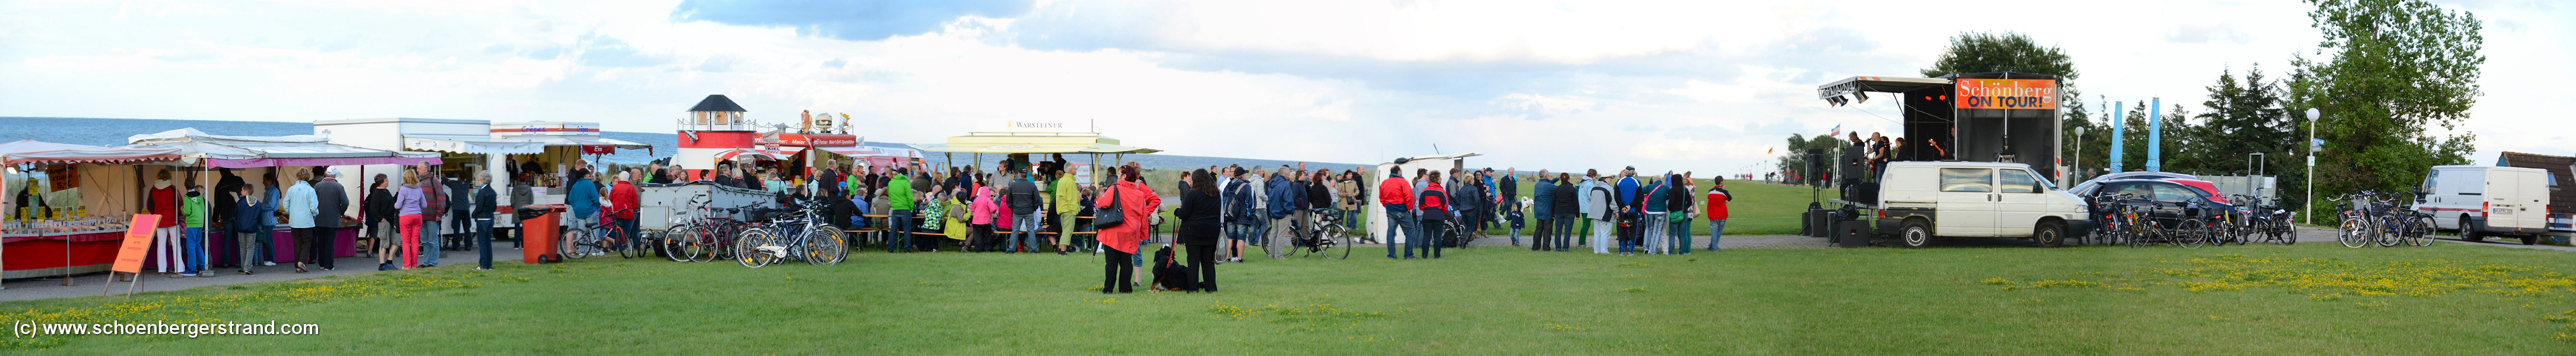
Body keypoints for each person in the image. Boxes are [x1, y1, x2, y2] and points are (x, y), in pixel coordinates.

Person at [1095, 167, 1160, 294]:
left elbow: (1104, 203)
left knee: (1111, 263)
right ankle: (1126, 289)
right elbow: (1143, 215)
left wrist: (1099, 199)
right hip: (1131, 231)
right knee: (1126, 262)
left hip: (1114, 230)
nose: (1118, 176)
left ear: (1124, 176)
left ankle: (1108, 289)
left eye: (1119, 174)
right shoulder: (1139, 194)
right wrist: (1143, 235)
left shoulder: (1114, 189)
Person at [1175, 169, 1222, 291]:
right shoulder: (1216, 194)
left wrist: (1177, 211)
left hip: (1194, 232)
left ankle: (1193, 288)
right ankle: (1211, 288)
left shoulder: (1193, 194)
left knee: (1193, 261)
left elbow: (1184, 213)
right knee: (1208, 261)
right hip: (1212, 232)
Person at [281, 170, 320, 273]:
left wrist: (291, 212)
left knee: (297, 243)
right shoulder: (310, 190)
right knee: (307, 241)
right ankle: (302, 262)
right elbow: (314, 207)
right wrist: (314, 214)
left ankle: (297, 265)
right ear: (308, 178)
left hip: (295, 220)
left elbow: (286, 205)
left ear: (297, 177)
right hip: (307, 220)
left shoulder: (291, 189)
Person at [312, 168, 347, 271]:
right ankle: (329, 265)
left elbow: (313, 202)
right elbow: (345, 202)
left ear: (325, 174)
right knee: (330, 242)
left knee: (321, 241)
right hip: (333, 219)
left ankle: (322, 263)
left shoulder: (317, 186)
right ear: (335, 176)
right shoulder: (339, 186)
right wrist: (340, 212)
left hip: (319, 218)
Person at [1378, 169, 1416, 259]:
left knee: (1391, 233)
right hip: (1402, 210)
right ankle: (1408, 255)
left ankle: (1391, 255)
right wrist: (1409, 208)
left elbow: (1382, 197)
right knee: (1410, 232)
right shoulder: (1403, 182)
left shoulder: (1385, 182)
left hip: (1391, 210)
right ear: (1399, 172)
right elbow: (1409, 196)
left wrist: (1387, 206)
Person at [564, 168, 601, 257]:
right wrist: (597, 206)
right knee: (594, 230)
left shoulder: (575, 186)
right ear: (586, 175)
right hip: (590, 210)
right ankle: (595, 251)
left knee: (581, 231)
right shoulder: (590, 184)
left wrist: (576, 207)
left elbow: (571, 199)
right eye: (588, 174)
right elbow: (595, 197)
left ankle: (581, 251)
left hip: (579, 212)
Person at [395, 170, 426, 269]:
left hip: (406, 216)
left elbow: (398, 205)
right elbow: (424, 205)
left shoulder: (403, 189)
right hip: (417, 216)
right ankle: (414, 265)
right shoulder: (419, 189)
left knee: (405, 242)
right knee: (415, 241)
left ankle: (407, 265)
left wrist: (395, 204)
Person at [230, 184, 264, 274]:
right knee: (250, 248)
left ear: (246, 192)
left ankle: (243, 267)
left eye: (242, 190)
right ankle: (248, 268)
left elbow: (236, 215)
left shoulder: (240, 202)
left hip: (241, 228)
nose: (241, 192)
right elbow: (260, 217)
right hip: (253, 228)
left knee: (243, 248)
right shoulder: (257, 203)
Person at [415, 165, 444, 266]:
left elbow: (441, 196)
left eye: (419, 168)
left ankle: (433, 263)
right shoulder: (419, 182)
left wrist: (439, 213)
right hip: (421, 217)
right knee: (424, 241)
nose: (417, 170)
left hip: (432, 216)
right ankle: (426, 263)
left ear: (426, 169)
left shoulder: (434, 180)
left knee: (433, 240)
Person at [1416, 171, 1450, 258]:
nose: (1441, 179)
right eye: (1440, 178)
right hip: (1438, 215)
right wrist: (1442, 212)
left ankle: (1424, 256)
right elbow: (1445, 205)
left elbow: (1420, 204)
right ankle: (1437, 256)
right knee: (1437, 236)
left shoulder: (1425, 191)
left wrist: (1426, 209)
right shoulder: (1441, 191)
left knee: (1427, 235)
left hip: (1427, 215)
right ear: (1437, 179)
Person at [1006, 170, 1041, 253]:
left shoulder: (1013, 185)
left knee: (1015, 230)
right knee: (1031, 230)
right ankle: (1034, 249)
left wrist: (1013, 208)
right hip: (1029, 211)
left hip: (1017, 211)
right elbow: (1037, 199)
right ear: (1027, 175)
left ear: (1019, 175)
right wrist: (1034, 208)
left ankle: (1011, 249)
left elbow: (1009, 200)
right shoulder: (1032, 186)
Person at [366, 174, 396, 269]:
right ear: (382, 182)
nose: (388, 181)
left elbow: (392, 202)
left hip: (391, 220)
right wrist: (381, 219)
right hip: (384, 221)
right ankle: (382, 264)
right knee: (384, 242)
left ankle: (389, 261)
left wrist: (398, 194)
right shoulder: (376, 193)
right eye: (387, 180)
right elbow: (373, 209)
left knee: (397, 241)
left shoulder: (386, 191)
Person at [1580, 170, 1612, 254]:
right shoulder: (1590, 184)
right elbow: (1591, 196)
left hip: (1583, 207)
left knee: (1593, 230)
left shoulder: (1582, 184)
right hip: (1590, 208)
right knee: (1588, 227)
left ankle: (1595, 250)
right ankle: (1582, 243)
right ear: (1593, 176)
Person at [179, 182, 207, 277]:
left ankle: (192, 270)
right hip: (200, 222)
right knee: (198, 245)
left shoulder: (187, 197)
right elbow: (203, 209)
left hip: (191, 224)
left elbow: (187, 211)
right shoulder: (200, 195)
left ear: (186, 186)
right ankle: (204, 267)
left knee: (190, 247)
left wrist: (182, 210)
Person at [887, 168, 917, 252]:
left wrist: (893, 204)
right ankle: (907, 248)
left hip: (895, 208)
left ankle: (890, 249)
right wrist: (911, 207)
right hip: (905, 208)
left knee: (893, 230)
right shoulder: (906, 183)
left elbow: (889, 195)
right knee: (906, 230)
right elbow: (910, 197)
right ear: (906, 174)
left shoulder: (891, 183)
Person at [473, 174, 499, 269]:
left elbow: (479, 207)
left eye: (479, 180)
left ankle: (483, 265)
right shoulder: (492, 192)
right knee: (488, 243)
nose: (478, 182)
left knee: (482, 243)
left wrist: (474, 214)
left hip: (482, 219)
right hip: (490, 218)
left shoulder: (482, 192)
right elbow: (495, 207)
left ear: (483, 181)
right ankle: (489, 265)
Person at [611, 171, 641, 253]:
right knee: (626, 231)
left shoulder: (615, 187)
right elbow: (635, 202)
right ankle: (624, 246)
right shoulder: (631, 188)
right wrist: (632, 209)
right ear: (628, 178)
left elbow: (611, 199)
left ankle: (614, 247)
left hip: (616, 212)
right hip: (628, 212)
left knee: (616, 230)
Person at [1665, 173, 1695, 255]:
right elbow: (1690, 202)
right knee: (1681, 234)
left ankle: (1671, 252)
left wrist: (1670, 209)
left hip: (1675, 213)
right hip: (1684, 213)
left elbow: (1671, 202)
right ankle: (1682, 252)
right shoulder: (1685, 189)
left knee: (1672, 234)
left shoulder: (1673, 190)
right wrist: (1684, 208)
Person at [1550, 173, 1578, 252]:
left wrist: (1552, 214)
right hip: (1570, 212)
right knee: (1568, 231)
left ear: (1561, 179)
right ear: (1568, 179)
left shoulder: (1557, 189)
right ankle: (1566, 248)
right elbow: (1576, 202)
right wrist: (1577, 214)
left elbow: (1553, 202)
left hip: (1558, 212)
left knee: (1558, 230)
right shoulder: (1572, 189)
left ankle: (1558, 248)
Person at [1705, 177, 1732, 252]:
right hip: (1722, 215)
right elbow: (1730, 198)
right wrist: (1723, 191)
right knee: (1718, 234)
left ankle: (1711, 246)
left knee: (1714, 233)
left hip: (1713, 215)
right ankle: (1714, 248)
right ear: (1721, 183)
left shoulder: (1710, 192)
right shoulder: (1724, 192)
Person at [1530, 170, 1553, 251]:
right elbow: (1557, 189)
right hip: (1547, 211)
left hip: (1539, 210)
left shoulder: (1537, 184)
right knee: (1547, 230)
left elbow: (1548, 183)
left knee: (1539, 229)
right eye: (1549, 174)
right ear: (1546, 176)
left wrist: (1557, 179)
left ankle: (1536, 247)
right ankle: (1546, 247)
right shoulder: (1548, 186)